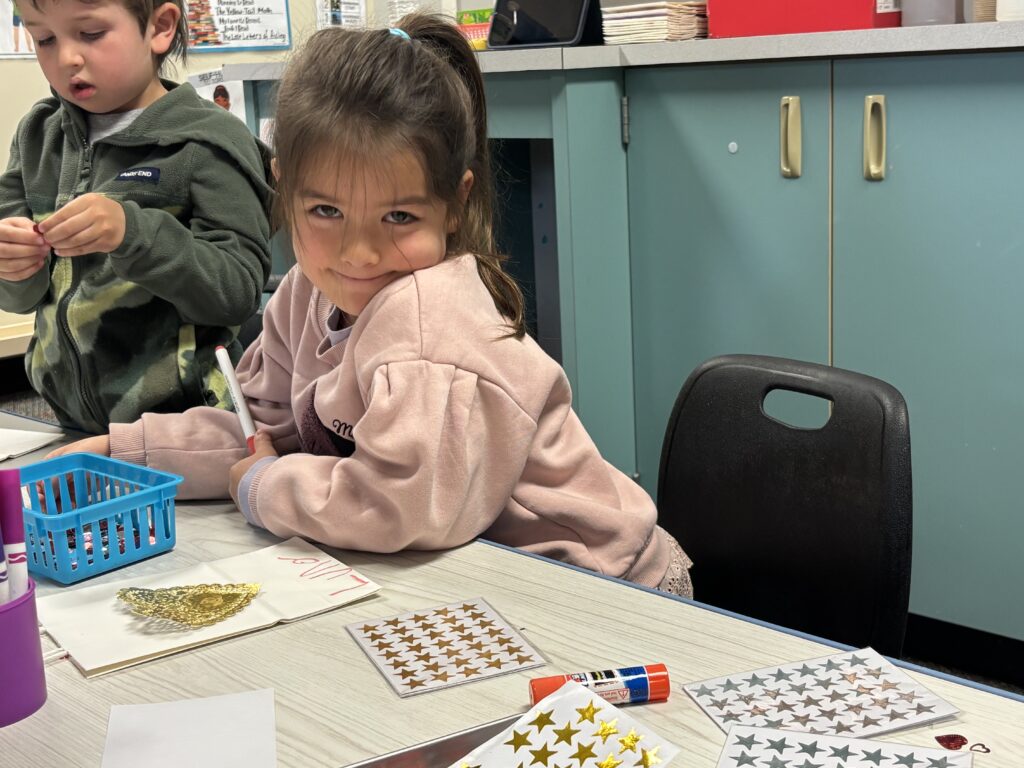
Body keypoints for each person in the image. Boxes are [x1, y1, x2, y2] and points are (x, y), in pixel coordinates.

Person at [51, 14, 694, 597]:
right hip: (483, 574)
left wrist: (263, 488)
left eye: (399, 216)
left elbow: (400, 508)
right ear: (286, 190)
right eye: (326, 211)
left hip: (606, 585)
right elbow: (259, 431)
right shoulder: (306, 290)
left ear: (455, 201)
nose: (358, 253)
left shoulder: (430, 327)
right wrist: (119, 454)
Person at [0, 0, 273, 433]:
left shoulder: (205, 143)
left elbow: (237, 291)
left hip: (188, 427)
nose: (66, 58)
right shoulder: (38, 135)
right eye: (44, 38)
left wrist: (134, 234)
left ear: (160, 28)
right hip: (71, 421)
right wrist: (13, 264)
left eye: (90, 33)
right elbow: (18, 297)